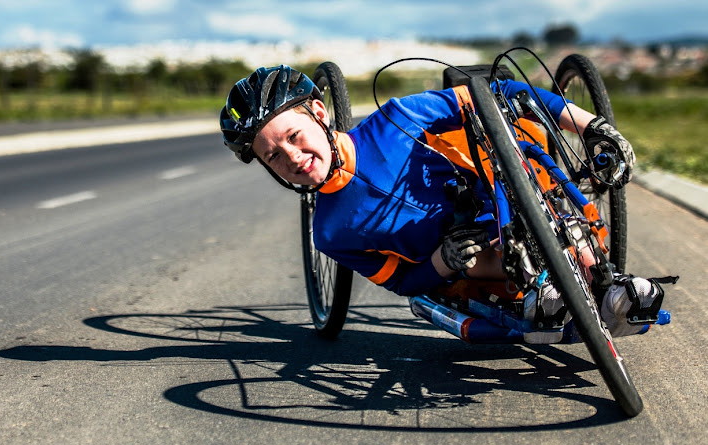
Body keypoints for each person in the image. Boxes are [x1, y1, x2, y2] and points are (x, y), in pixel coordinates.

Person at [220, 64, 670, 339]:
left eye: (294, 137)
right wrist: (440, 261)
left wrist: (593, 128)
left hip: (508, 196)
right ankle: (550, 291)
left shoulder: (399, 118)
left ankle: (607, 284)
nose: (293, 158)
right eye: (273, 156)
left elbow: (499, 96)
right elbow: (401, 281)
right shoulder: (330, 233)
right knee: (473, 259)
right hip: (473, 262)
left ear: (320, 114)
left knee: (516, 155)